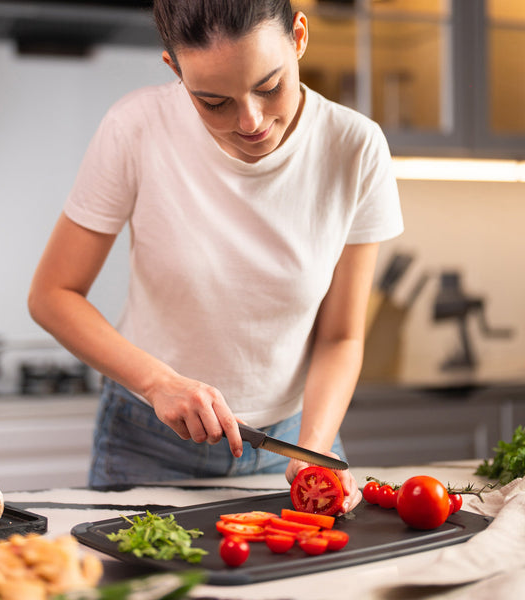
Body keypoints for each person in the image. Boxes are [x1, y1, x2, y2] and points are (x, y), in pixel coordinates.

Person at [28, 0, 403, 514]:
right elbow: (52, 295)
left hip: (297, 441)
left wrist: (315, 444)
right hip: (149, 441)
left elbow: (341, 335)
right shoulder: (136, 126)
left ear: (299, 37)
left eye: (269, 86)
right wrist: (159, 382)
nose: (250, 120)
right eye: (212, 101)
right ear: (174, 69)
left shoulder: (355, 147)